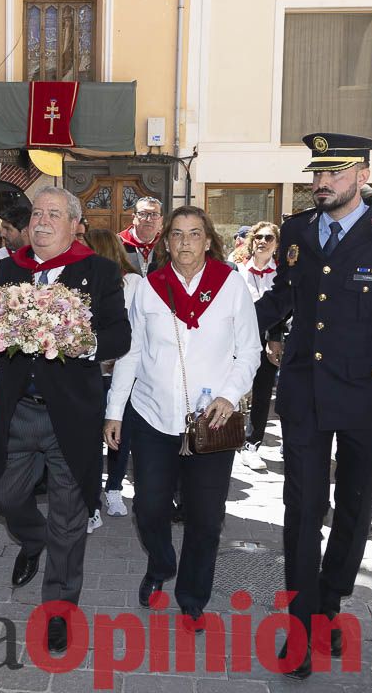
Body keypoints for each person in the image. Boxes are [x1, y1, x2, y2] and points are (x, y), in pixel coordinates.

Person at [254, 133, 372, 678]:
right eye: (316, 173)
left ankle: (330, 600)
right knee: (301, 507)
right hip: (305, 393)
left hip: (369, 395)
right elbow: (284, 300)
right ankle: (299, 622)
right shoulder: (296, 230)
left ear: (362, 175)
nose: (321, 183)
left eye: (333, 174)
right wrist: (226, 321)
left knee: (355, 509)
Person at [0, 187, 131, 653]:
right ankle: (33, 540)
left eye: (53, 214)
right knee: (7, 495)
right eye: (36, 214)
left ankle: (59, 610)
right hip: (19, 410)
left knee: (70, 518)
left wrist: (79, 342)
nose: (42, 221)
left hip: (71, 415)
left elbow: (119, 336)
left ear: (74, 225)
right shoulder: (8, 269)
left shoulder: (100, 270)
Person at [106, 206, 260, 627]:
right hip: (153, 415)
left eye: (195, 233)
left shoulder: (229, 286)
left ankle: (192, 596)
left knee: (205, 517)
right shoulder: (149, 288)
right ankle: (160, 565)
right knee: (149, 509)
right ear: (166, 241)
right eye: (177, 234)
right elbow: (132, 353)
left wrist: (230, 396)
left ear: (208, 240)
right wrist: (114, 411)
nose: (186, 242)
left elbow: (250, 351)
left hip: (211, 422)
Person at [83, 227, 142, 529]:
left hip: (124, 373)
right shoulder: (83, 284)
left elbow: (132, 331)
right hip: (92, 374)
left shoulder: (134, 283)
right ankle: (90, 502)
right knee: (91, 441)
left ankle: (114, 489)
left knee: (121, 436)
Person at [239, 221, 283, 472]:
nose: (263, 242)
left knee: (263, 394)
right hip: (238, 341)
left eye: (269, 238)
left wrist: (273, 338)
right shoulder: (237, 270)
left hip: (268, 341)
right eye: (258, 237)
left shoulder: (282, 274)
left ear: (276, 244)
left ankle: (252, 443)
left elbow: (282, 311)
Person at [119, 197, 163, 274]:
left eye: (155, 214)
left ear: (161, 220)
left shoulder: (166, 245)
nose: (149, 219)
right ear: (134, 218)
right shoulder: (117, 243)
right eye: (143, 214)